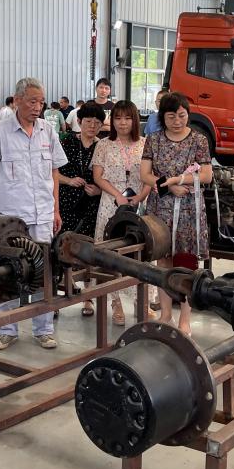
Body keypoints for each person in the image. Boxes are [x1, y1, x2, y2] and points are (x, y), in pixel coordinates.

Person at [0, 78, 67, 351]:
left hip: (42, 215)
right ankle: (7, 330)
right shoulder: (1, 132)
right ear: (17, 100)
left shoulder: (47, 131)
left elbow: (54, 173)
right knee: (8, 272)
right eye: (32, 101)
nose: (37, 107)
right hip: (10, 219)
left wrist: (56, 209)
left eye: (41, 102)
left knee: (43, 272)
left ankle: (43, 330)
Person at [140, 93, 212, 335]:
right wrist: (168, 186)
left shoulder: (199, 140)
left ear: (188, 115)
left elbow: (206, 175)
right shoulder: (154, 140)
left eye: (182, 115)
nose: (177, 121)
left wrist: (180, 180)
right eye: (171, 116)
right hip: (161, 205)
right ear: (163, 117)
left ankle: (185, 319)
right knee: (163, 259)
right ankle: (166, 314)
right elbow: (145, 174)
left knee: (186, 261)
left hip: (189, 208)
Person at [92, 100, 152, 326]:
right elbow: (98, 177)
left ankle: (142, 300)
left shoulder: (145, 144)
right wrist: (117, 195)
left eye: (127, 118)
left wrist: (140, 196)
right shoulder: (103, 145)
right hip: (111, 202)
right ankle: (114, 302)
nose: (122, 123)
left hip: (139, 204)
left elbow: (150, 176)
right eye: (118, 118)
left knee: (141, 251)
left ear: (134, 120)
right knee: (109, 251)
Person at [58, 103, 103, 237]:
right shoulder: (66, 142)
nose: (92, 126)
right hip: (66, 204)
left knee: (88, 243)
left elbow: (111, 179)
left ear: (101, 125)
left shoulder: (103, 147)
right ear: (79, 121)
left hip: (92, 207)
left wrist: (99, 191)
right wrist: (68, 180)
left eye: (97, 123)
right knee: (63, 242)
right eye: (88, 121)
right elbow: (50, 172)